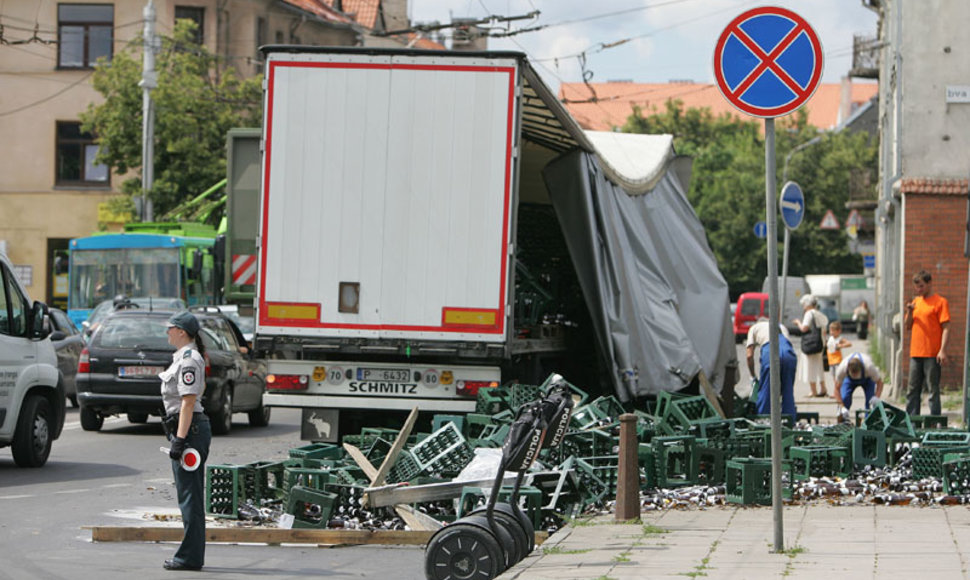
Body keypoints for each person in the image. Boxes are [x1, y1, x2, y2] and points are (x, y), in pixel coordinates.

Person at [159, 311, 210, 571]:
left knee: (190, 496)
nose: (167, 332)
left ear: (181, 331)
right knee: (189, 494)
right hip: (188, 430)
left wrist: (179, 440)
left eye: (170, 328)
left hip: (190, 432)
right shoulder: (182, 357)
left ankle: (189, 557)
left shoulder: (189, 360)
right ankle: (191, 554)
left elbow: (188, 403)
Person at [904, 270, 950, 416]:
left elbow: (946, 328)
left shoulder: (940, 302)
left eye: (922, 286)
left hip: (932, 353)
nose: (919, 290)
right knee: (912, 389)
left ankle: (935, 421)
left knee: (932, 389)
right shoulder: (916, 302)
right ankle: (912, 422)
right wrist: (910, 312)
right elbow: (907, 326)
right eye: (917, 287)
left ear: (930, 284)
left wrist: (942, 350)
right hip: (916, 352)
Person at [746, 315, 797, 420]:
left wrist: (753, 375)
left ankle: (763, 422)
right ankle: (789, 423)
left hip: (770, 351)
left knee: (765, 390)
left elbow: (749, 355)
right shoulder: (781, 326)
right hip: (789, 353)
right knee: (788, 391)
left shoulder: (754, 328)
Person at [792, 294, 829, 398]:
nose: (803, 306)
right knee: (819, 366)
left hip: (810, 343)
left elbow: (804, 328)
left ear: (808, 304)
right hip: (819, 343)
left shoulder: (808, 314)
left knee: (810, 366)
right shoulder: (819, 314)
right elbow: (824, 329)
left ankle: (813, 391)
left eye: (804, 304)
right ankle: (823, 388)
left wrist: (798, 323)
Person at [833, 352, 884, 422]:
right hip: (849, 380)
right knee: (845, 398)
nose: (855, 376)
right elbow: (836, 389)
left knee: (870, 401)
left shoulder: (869, 367)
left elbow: (880, 383)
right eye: (853, 374)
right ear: (848, 370)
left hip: (867, 380)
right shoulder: (842, 368)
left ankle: (869, 422)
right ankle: (843, 421)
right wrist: (842, 406)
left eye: (856, 374)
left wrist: (876, 397)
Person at [826, 320, 852, 387]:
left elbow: (849, 343)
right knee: (834, 376)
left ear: (838, 331)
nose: (831, 332)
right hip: (831, 361)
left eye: (833, 331)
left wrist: (841, 345)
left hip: (837, 360)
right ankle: (836, 389)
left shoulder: (839, 339)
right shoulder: (830, 338)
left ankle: (840, 389)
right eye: (830, 331)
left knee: (838, 376)